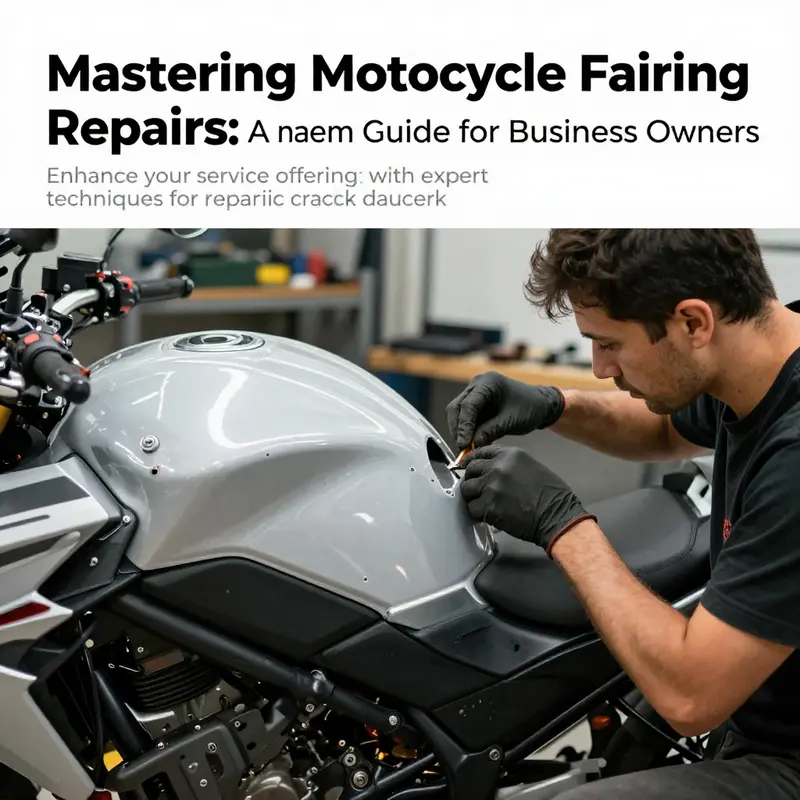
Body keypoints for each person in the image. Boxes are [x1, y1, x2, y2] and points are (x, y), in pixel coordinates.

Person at [446, 229, 800, 799]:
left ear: (693, 323)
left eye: (610, 344)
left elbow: (691, 698)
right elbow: (665, 425)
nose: (599, 368)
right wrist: (552, 406)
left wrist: (561, 523)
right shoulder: (764, 352)